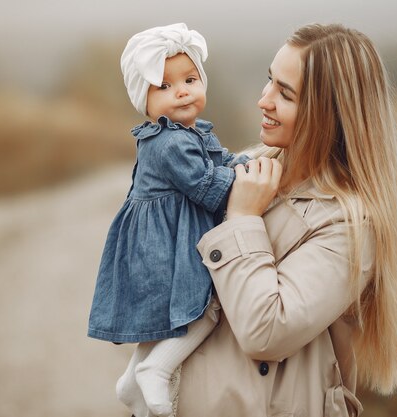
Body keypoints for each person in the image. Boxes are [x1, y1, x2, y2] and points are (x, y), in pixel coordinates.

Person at [170, 23, 397, 417]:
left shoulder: (348, 224)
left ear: (329, 116)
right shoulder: (249, 170)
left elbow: (267, 332)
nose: (264, 100)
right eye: (269, 81)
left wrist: (243, 217)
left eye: (286, 93)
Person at [86, 23, 248, 417]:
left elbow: (218, 161)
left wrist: (243, 163)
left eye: (190, 79)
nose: (181, 91)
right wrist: (249, 182)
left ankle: (131, 381)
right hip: (164, 243)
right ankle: (157, 367)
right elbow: (208, 186)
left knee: (160, 316)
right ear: (144, 100)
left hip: (166, 235)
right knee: (207, 307)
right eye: (163, 86)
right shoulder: (171, 141)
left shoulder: (188, 131)